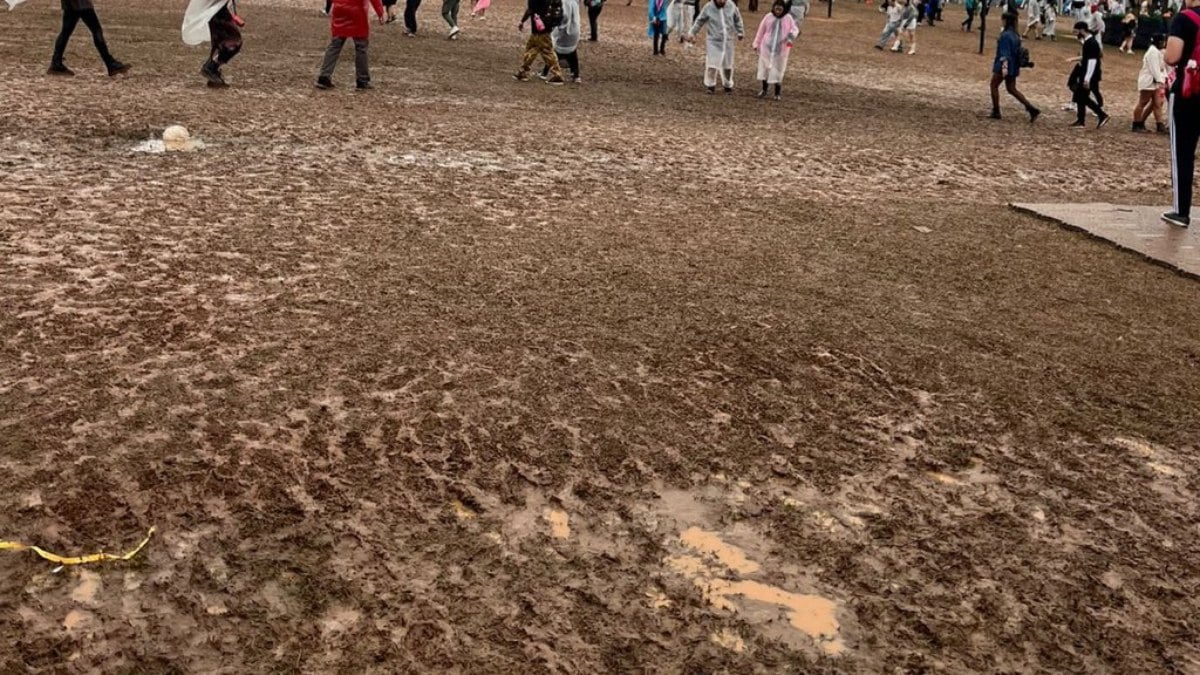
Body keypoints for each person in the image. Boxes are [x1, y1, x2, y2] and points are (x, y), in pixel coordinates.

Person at [1162, 0, 1200, 226]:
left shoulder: (1185, 18)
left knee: (1183, 152)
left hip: (1189, 91)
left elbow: (1172, 57)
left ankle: (1181, 210)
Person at [46, 0, 130, 77]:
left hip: (71, 3)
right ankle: (111, 64)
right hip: (80, 3)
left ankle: (56, 62)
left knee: (66, 32)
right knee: (96, 30)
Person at [315, 0, 385, 89]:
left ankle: (324, 77)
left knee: (335, 45)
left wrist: (329, 7)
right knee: (361, 47)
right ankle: (362, 80)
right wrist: (380, 12)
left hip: (340, 8)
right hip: (358, 11)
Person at [990, 12, 1042, 120]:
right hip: (1013, 66)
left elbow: (1005, 53)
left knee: (994, 85)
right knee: (1012, 88)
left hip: (1004, 65)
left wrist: (1004, 68)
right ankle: (1030, 108)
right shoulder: (1015, 35)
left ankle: (996, 111)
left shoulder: (1005, 35)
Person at [184, 0, 244, 88]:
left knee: (223, 40)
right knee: (232, 41)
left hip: (215, 8)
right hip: (215, 9)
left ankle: (212, 69)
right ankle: (211, 67)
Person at [688, 0, 744, 93]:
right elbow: (699, 21)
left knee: (728, 66)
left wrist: (740, 31)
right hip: (713, 40)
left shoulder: (731, 5)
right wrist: (692, 33)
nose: (722, 1)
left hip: (728, 41)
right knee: (712, 64)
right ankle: (710, 85)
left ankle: (727, 84)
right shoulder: (708, 7)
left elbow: (737, 19)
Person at [753, 0, 798, 99]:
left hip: (781, 50)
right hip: (766, 49)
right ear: (773, 8)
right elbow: (761, 31)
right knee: (765, 70)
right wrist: (756, 43)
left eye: (780, 9)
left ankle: (777, 93)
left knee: (778, 70)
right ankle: (764, 90)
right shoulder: (768, 17)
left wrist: (790, 38)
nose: (778, 11)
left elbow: (794, 29)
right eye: (776, 8)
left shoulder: (788, 18)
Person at [514, 0, 566, 84]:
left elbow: (530, 10)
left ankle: (557, 75)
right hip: (546, 26)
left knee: (545, 51)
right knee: (532, 49)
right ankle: (522, 71)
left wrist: (522, 21)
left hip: (539, 27)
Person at [1072, 20, 1111, 126]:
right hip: (1088, 73)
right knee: (1080, 96)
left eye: (1077, 31)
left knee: (1082, 96)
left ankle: (1101, 115)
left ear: (1082, 30)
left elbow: (1092, 62)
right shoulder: (1088, 42)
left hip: (1091, 75)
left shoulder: (1091, 43)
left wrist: (1087, 78)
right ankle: (1081, 119)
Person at [1133, 33, 1168, 130]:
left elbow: (1161, 67)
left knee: (1157, 103)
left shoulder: (1157, 51)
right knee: (1143, 102)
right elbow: (1154, 68)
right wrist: (1160, 80)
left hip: (1155, 82)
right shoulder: (1153, 52)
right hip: (1149, 81)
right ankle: (1136, 123)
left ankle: (1159, 124)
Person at [543, 0, 582, 80]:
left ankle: (545, 72)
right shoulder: (574, 2)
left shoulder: (565, 2)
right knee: (573, 53)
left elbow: (564, 17)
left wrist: (554, 24)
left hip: (564, 32)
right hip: (575, 30)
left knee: (553, 51)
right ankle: (576, 75)